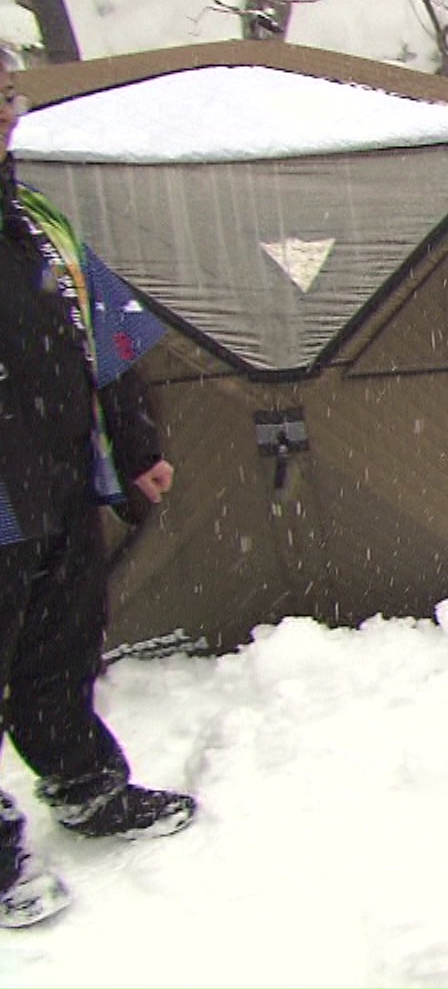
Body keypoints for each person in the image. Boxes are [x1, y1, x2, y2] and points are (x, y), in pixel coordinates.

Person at [1, 50, 197, 930]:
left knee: (59, 650)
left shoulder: (35, 220)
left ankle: (84, 785)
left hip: (52, 486)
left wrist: (137, 447)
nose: (4, 113)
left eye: (7, 96)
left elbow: (107, 340)